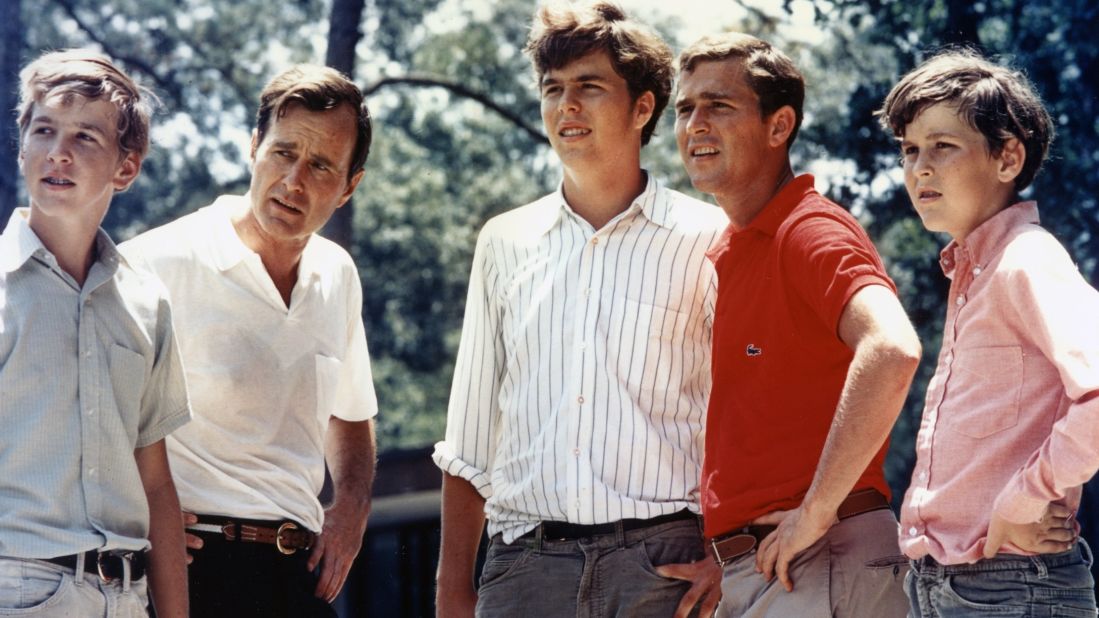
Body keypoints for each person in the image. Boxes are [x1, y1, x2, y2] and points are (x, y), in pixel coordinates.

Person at [433, 2, 728, 616]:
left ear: (642, 107)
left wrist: (728, 559)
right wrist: (451, 588)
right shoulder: (504, 242)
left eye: (589, 88)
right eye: (552, 89)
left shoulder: (710, 237)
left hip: (664, 565)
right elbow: (470, 434)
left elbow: (745, 416)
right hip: (523, 569)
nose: (566, 105)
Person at [674, 33, 921, 616]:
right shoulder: (736, 247)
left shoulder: (807, 230)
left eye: (719, 105)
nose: (695, 124)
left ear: (779, 125)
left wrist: (813, 513)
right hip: (781, 567)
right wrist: (728, 554)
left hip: (818, 561)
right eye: (685, 108)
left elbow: (892, 349)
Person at [120, 64, 378, 617]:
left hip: (299, 575)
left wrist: (351, 509)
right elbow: (95, 418)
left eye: (321, 166)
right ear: (254, 147)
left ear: (350, 185)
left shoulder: (338, 274)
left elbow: (352, 417)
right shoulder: (154, 263)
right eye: (283, 153)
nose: (294, 182)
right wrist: (139, 517)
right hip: (190, 571)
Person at [878, 49, 1098, 616]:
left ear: (1007, 157)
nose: (919, 167)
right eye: (909, 150)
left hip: (1013, 586)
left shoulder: (1026, 258)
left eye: (942, 146)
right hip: (951, 584)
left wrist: (1025, 498)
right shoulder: (974, 271)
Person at [0, 49, 190, 617]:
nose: (58, 151)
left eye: (85, 137)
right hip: (19, 591)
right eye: (44, 130)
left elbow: (156, 485)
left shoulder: (146, 303)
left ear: (125, 167)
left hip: (127, 598)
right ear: (23, 145)